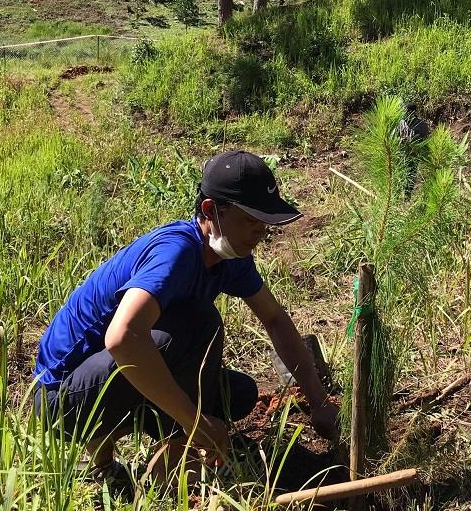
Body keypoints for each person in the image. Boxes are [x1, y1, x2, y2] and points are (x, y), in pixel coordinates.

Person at [33, 150, 339, 496]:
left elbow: (275, 319)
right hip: (61, 397)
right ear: (210, 211)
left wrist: (318, 402)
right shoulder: (175, 253)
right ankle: (110, 466)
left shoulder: (231, 256)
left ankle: (174, 452)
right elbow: (122, 338)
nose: (261, 231)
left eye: (265, 221)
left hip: (109, 376)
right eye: (251, 219)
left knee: (237, 395)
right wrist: (196, 423)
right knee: (199, 323)